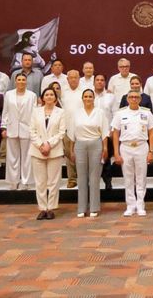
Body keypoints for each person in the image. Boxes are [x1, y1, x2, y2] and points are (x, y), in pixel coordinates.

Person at [112, 90, 153, 217]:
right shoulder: (120, 114)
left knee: (141, 177)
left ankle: (141, 205)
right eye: (131, 97)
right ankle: (130, 206)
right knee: (128, 178)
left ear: (140, 99)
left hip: (142, 146)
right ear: (127, 99)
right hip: (125, 147)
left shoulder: (146, 113)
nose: (134, 99)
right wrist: (116, 152)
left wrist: (151, 151)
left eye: (136, 97)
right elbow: (115, 133)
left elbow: (151, 132)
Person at [29, 87, 67, 220]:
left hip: (54, 150)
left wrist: (49, 144)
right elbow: (32, 131)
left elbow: (62, 132)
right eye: (47, 94)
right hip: (37, 150)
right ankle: (42, 208)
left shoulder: (61, 112)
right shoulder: (35, 112)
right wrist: (40, 145)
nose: (49, 96)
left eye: (52, 94)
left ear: (56, 98)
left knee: (53, 181)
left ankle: (51, 208)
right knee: (40, 182)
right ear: (42, 98)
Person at [70, 89, 109, 218]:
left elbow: (104, 132)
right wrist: (71, 150)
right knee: (81, 177)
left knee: (94, 177)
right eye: (85, 96)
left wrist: (105, 149)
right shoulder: (76, 113)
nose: (88, 98)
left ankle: (94, 207)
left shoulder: (100, 113)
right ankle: (81, 208)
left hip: (96, 144)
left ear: (94, 98)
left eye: (90, 96)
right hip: (80, 145)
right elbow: (71, 134)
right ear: (82, 99)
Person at [2, 73, 37, 190]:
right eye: (19, 80)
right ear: (15, 81)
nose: (21, 81)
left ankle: (25, 181)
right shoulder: (8, 95)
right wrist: (4, 127)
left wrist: (34, 129)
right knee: (12, 156)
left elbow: (34, 114)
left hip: (27, 129)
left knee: (27, 157)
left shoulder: (32, 95)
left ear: (26, 82)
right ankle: (13, 181)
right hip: (11, 128)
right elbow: (5, 111)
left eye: (23, 80)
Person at [60, 70, 84, 189]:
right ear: (67, 79)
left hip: (82, 128)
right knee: (69, 155)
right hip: (67, 127)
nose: (73, 79)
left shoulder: (84, 91)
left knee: (82, 155)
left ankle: (83, 178)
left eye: (76, 77)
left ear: (79, 78)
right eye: (71, 78)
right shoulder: (63, 92)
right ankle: (72, 179)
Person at [93, 74, 116, 190]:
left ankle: (108, 182)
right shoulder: (89, 95)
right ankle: (93, 185)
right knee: (93, 160)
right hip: (91, 132)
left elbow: (115, 114)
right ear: (94, 82)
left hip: (107, 132)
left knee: (106, 159)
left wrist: (113, 130)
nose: (100, 82)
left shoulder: (110, 97)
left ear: (105, 82)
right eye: (97, 80)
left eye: (102, 80)